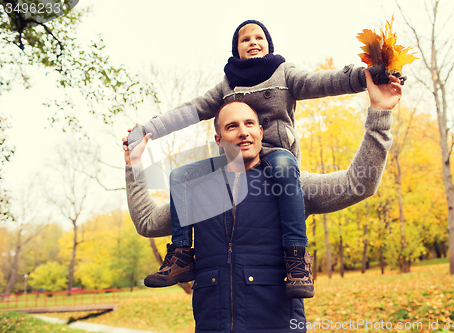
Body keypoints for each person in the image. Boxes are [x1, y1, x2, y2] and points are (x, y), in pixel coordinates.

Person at [123, 70, 402, 333]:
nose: (243, 132)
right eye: (232, 126)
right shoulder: (196, 192)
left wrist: (380, 113)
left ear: (260, 131)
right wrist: (133, 167)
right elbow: (147, 222)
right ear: (219, 140)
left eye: (249, 124)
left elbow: (358, 184)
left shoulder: (291, 186)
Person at [125, 19, 385, 297]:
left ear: (260, 130)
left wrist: (368, 80)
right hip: (215, 323)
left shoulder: (284, 77)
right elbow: (191, 110)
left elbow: (324, 82)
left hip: (279, 157)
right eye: (245, 39)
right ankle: (181, 255)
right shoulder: (226, 89)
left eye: (259, 37)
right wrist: (140, 149)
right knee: (180, 176)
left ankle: (296, 258)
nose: (253, 42)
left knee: (285, 166)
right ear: (218, 138)